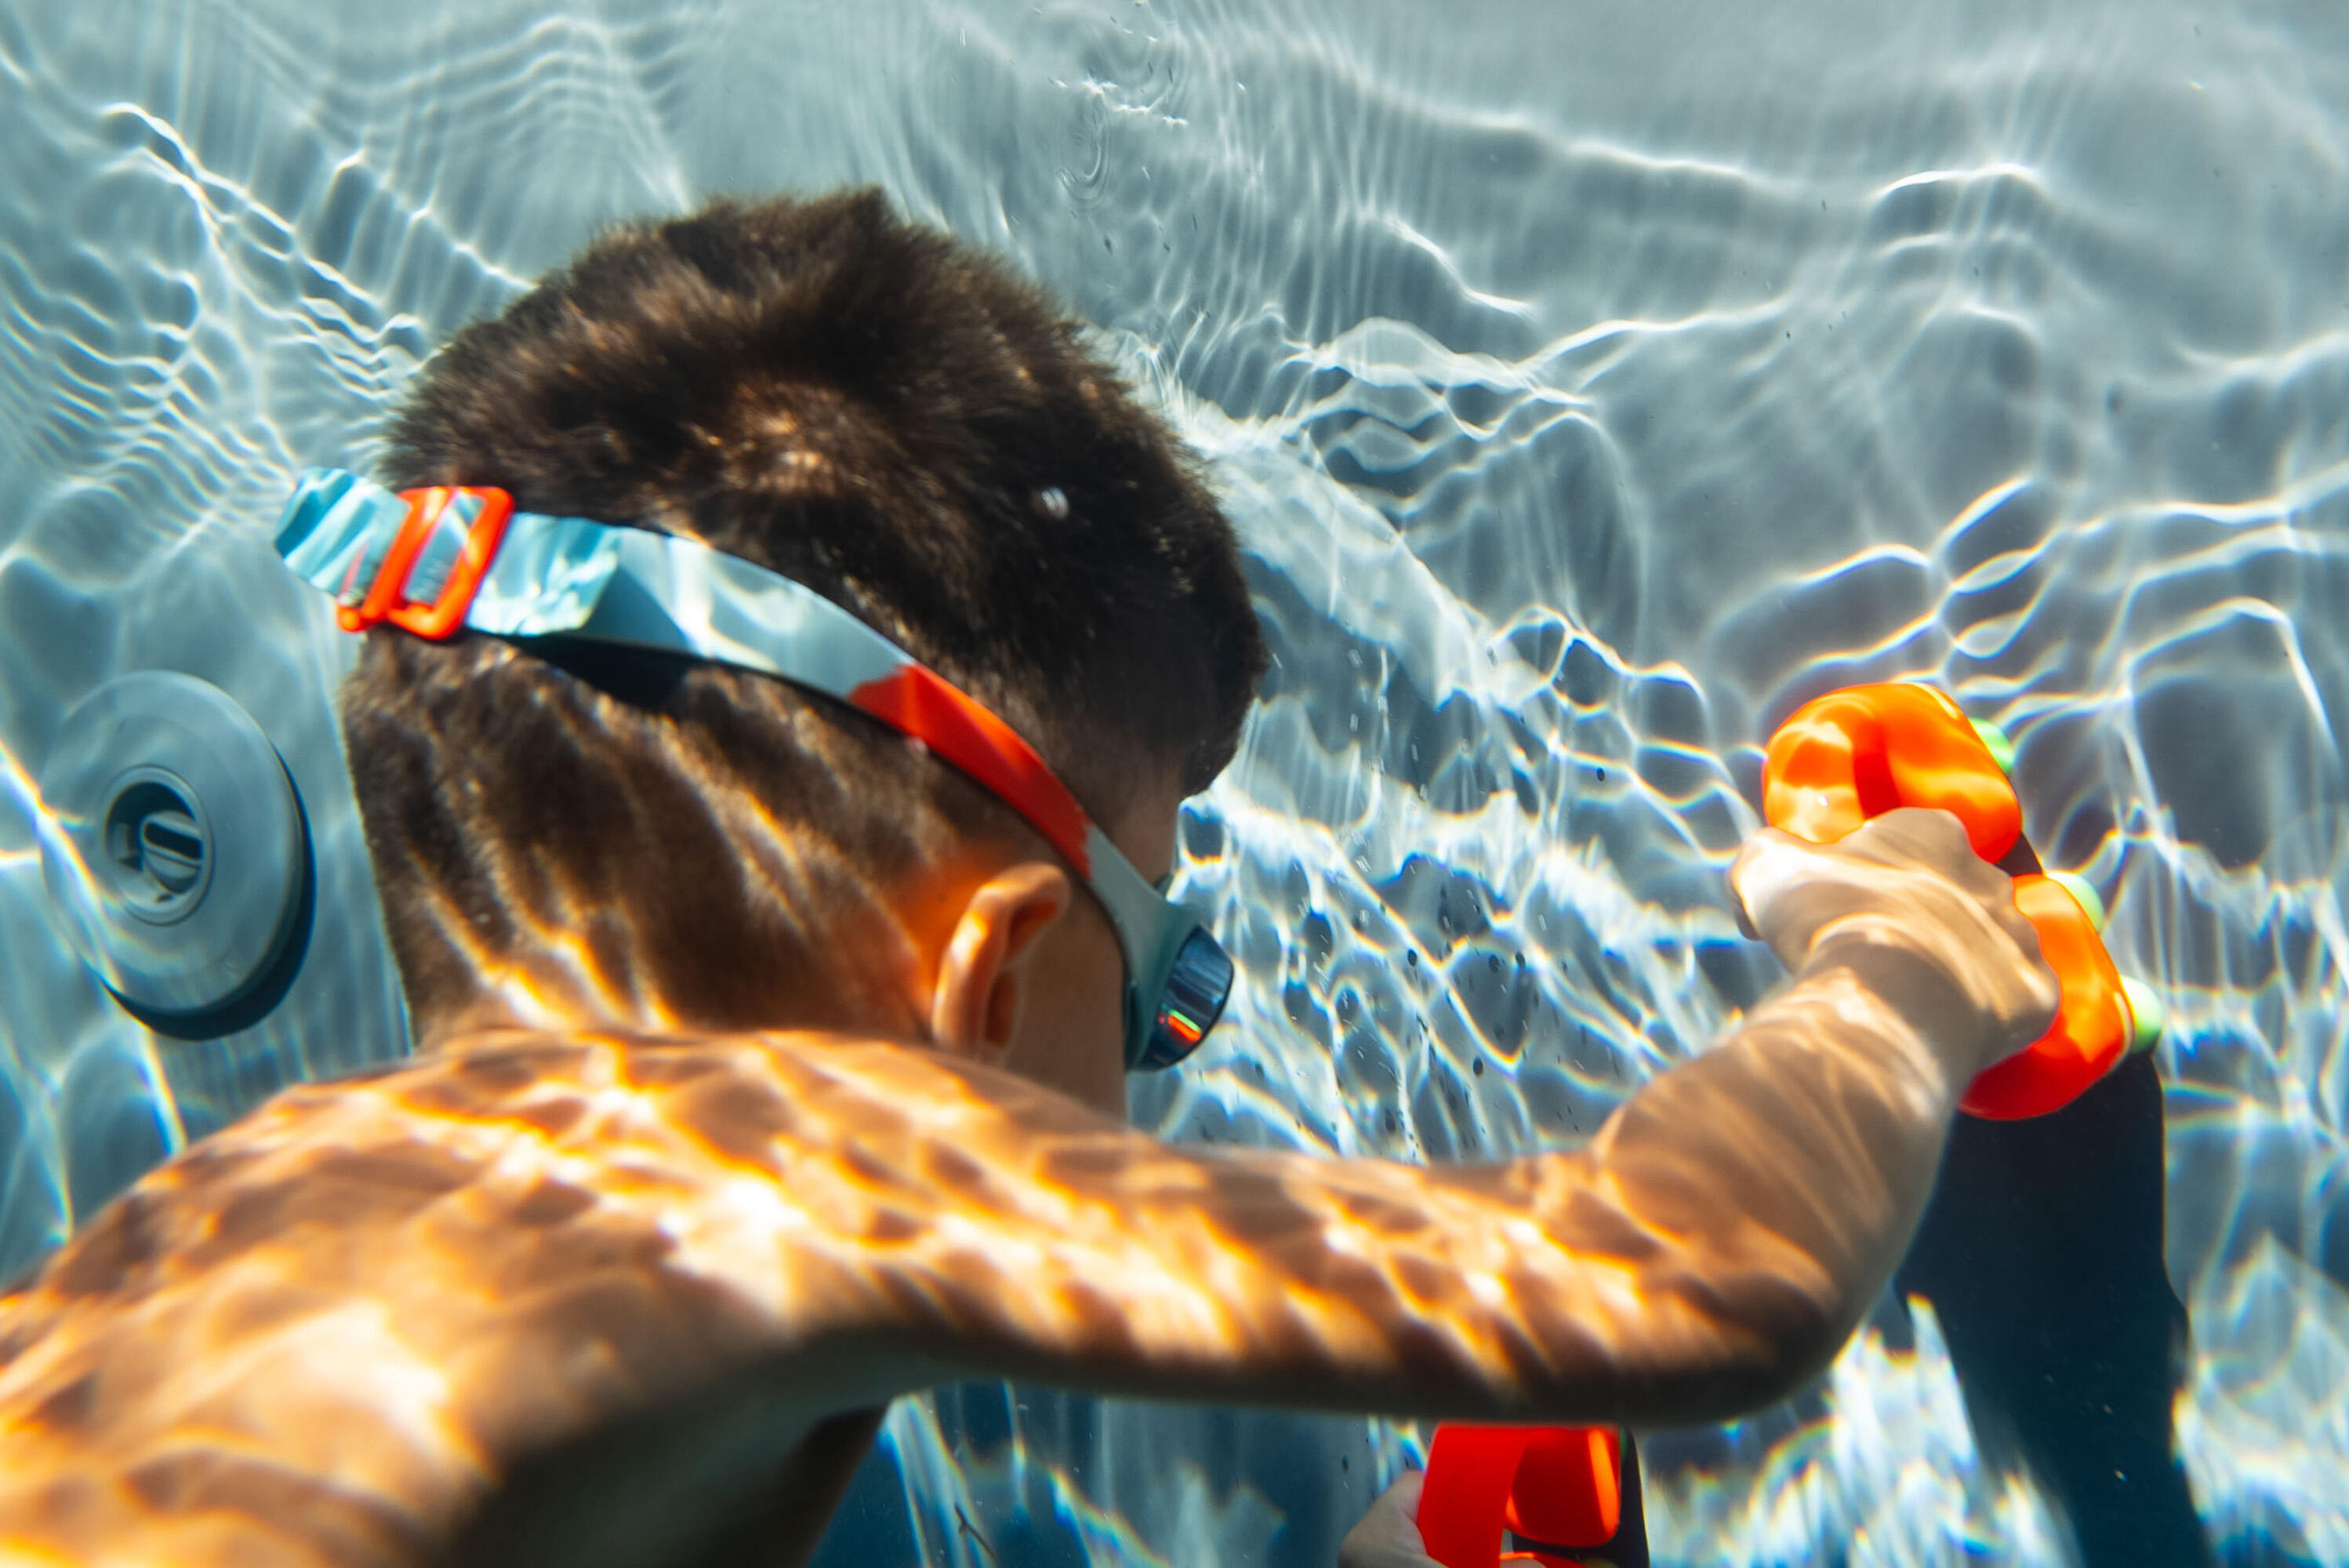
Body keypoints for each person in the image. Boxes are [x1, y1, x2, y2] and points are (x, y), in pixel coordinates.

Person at [0, 191, 2058, 1568]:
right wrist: (1894, 957)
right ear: (980, 980)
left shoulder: (206, 1250)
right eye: (1165, 982)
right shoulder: (751, 1159)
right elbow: (1686, 1272)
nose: (1155, 1058)